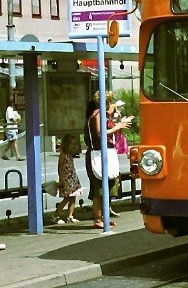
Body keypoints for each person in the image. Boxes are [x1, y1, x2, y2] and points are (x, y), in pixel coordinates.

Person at [86, 91, 131, 229]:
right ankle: (98, 219)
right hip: (98, 153)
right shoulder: (98, 114)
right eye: (108, 102)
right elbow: (100, 133)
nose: (110, 105)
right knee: (99, 189)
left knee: (108, 186)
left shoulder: (102, 115)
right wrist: (118, 127)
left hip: (105, 152)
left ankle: (104, 217)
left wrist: (120, 124)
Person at [53, 134, 83, 224]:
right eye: (71, 144)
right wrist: (61, 179)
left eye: (74, 144)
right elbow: (60, 168)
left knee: (73, 197)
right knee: (66, 198)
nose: (73, 146)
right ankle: (56, 215)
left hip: (72, 179)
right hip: (66, 180)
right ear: (66, 144)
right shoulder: (63, 155)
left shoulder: (70, 155)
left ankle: (70, 215)